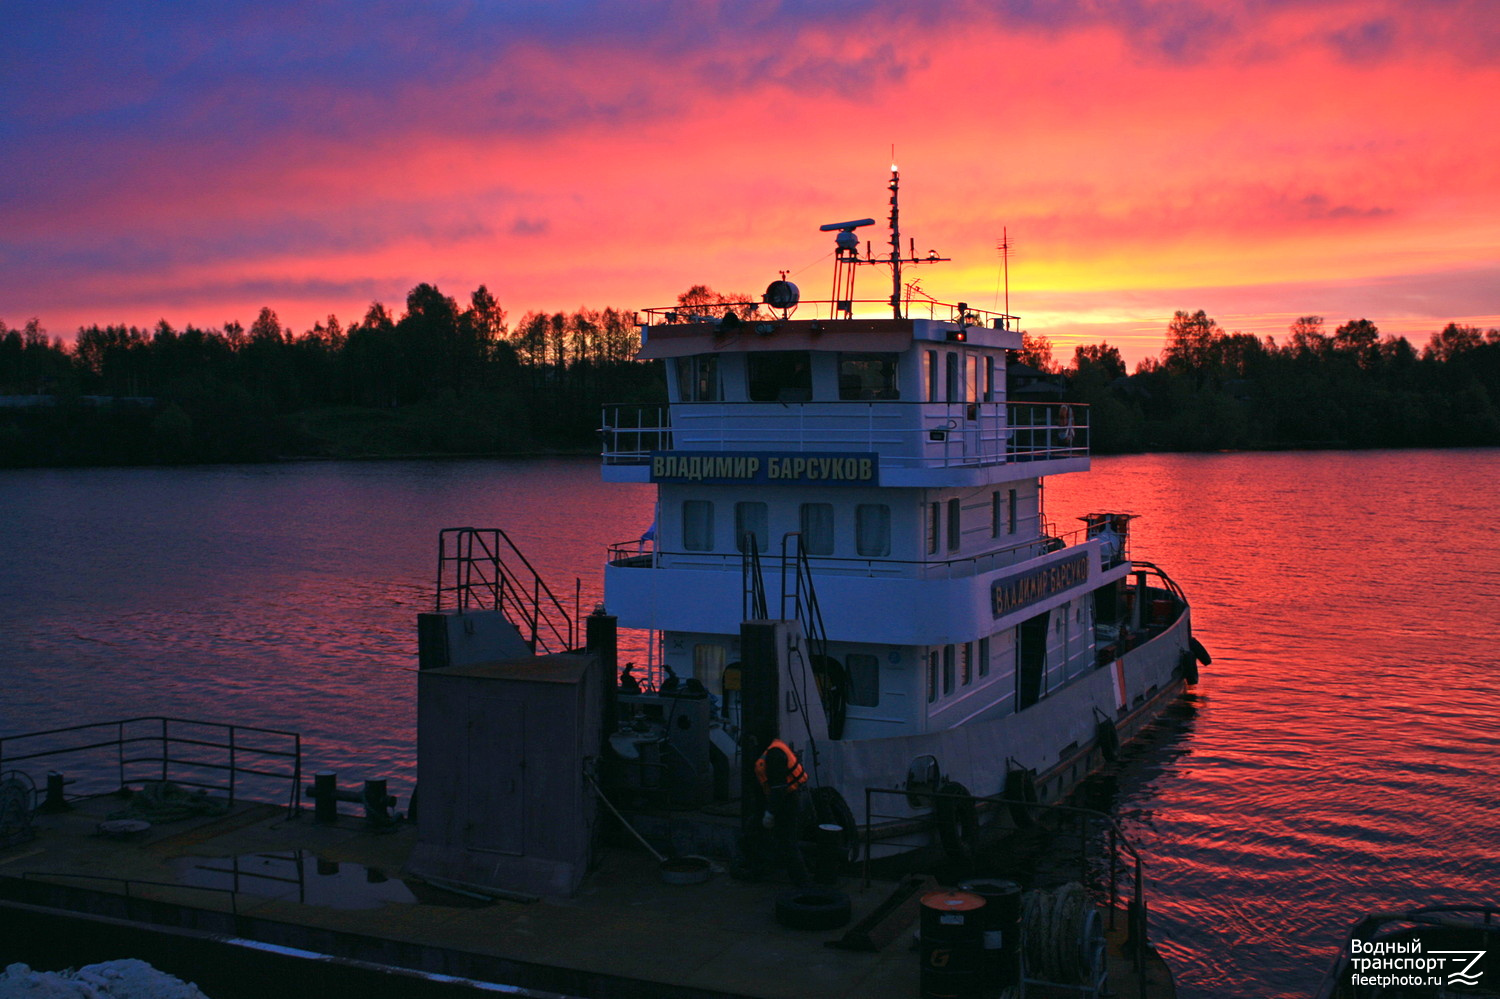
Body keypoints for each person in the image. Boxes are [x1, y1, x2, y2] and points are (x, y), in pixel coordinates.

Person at [755, 738, 810, 885]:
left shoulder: (774, 755)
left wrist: (770, 813)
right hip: (792, 798)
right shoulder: (777, 749)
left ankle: (803, 883)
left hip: (788, 802)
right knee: (784, 840)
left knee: (788, 843)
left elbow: (778, 788)